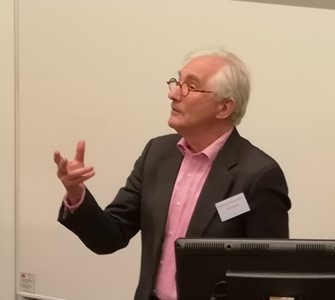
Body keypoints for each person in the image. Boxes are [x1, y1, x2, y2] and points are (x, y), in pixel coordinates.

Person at [53, 48, 291, 300]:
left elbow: (270, 279)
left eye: (190, 86)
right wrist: (76, 193)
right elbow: (109, 237)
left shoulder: (258, 175)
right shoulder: (157, 154)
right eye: (177, 82)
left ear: (224, 107)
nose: (173, 93)